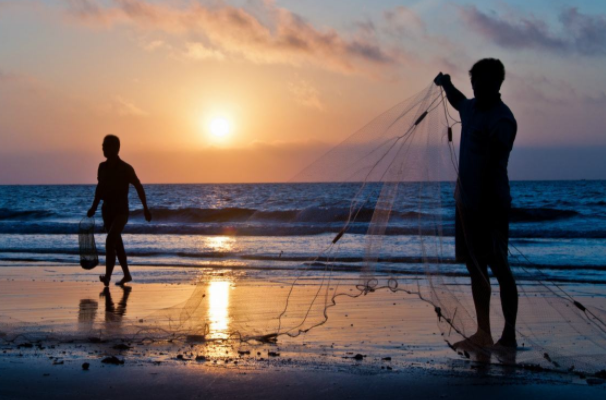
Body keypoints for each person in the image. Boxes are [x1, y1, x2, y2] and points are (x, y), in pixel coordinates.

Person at [434, 58, 518, 349]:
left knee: (499, 265)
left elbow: (494, 162)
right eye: (474, 83)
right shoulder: (470, 109)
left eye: (482, 83)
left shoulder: (502, 120)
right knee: (475, 266)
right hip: (466, 204)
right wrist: (446, 83)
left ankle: (509, 334)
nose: (476, 88)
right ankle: (484, 332)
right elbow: (458, 100)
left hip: (492, 205)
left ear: (496, 83)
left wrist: (485, 209)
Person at [88, 135, 152, 286]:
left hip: (121, 211)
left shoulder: (125, 168)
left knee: (111, 240)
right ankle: (127, 275)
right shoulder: (102, 167)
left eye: (106, 146)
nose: (103, 148)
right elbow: (100, 189)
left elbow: (138, 186)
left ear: (115, 148)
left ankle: (108, 277)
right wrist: (94, 207)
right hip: (107, 210)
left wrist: (145, 208)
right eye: (102, 146)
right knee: (117, 243)